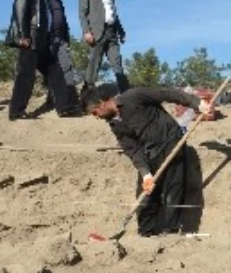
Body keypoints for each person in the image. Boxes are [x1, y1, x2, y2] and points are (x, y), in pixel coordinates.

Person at [85, 83, 206, 236]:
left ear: (102, 103)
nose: (96, 117)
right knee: (145, 195)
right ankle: (146, 232)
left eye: (95, 112)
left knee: (173, 189)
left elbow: (168, 93)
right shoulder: (115, 124)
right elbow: (132, 149)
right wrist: (146, 174)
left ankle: (171, 232)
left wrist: (197, 103)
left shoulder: (134, 96)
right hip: (150, 153)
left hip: (171, 142)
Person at [7, 0, 72, 120]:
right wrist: (23, 35)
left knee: (56, 71)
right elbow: (20, 10)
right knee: (26, 75)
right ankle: (16, 112)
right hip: (30, 39)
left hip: (43, 41)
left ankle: (65, 108)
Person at [79, 0, 130, 92]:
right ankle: (87, 93)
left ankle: (126, 92)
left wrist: (121, 32)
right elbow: (82, 12)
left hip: (112, 32)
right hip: (96, 32)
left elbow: (114, 14)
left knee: (117, 62)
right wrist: (86, 31)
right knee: (94, 63)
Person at [35, 0, 81, 116]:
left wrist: (66, 39)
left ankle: (69, 102)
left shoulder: (58, 0)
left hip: (60, 39)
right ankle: (54, 99)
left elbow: (63, 21)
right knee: (50, 71)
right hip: (45, 40)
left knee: (66, 68)